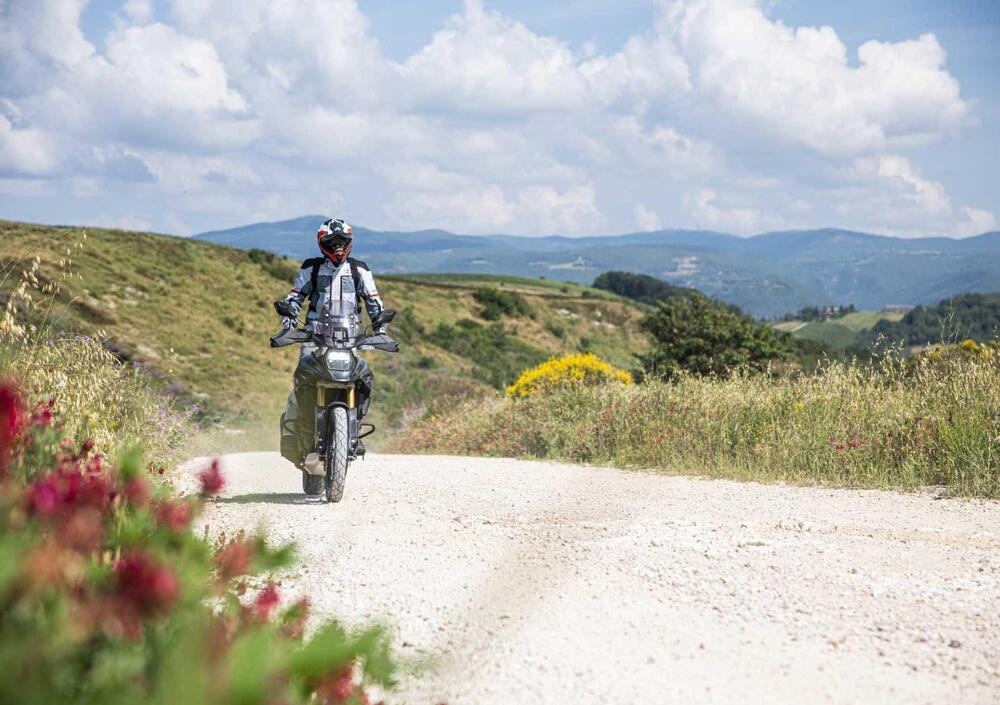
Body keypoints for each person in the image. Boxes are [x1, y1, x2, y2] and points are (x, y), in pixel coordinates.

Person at [276, 218, 385, 465]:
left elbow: (374, 302)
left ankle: (354, 430)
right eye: (332, 242)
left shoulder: (359, 270)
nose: (338, 247)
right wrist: (289, 319)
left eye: (342, 242)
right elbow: (295, 297)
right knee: (302, 380)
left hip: (349, 341)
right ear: (322, 243)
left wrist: (380, 324)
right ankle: (299, 430)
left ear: (349, 242)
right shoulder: (311, 268)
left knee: (363, 378)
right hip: (314, 339)